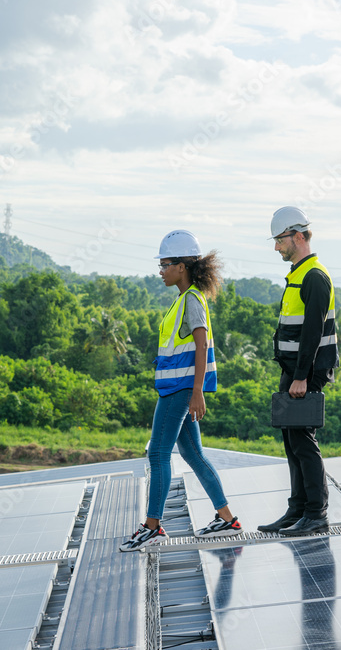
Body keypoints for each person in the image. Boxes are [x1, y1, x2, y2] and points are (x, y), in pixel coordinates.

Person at [120, 230, 243, 551]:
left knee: (158, 453)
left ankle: (152, 526)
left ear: (182, 267)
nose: (161, 271)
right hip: (179, 388)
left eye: (165, 264)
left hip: (180, 391)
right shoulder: (184, 300)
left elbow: (201, 345)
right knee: (192, 454)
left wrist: (197, 391)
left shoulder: (191, 301)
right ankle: (227, 518)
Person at [257, 206, 338, 537]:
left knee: (303, 439)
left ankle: (316, 513)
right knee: (292, 440)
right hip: (294, 371)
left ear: (299, 236)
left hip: (307, 372)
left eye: (280, 240)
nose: (277, 247)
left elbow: (313, 332)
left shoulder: (314, 276)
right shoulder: (299, 274)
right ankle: (298, 509)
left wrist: (302, 376)